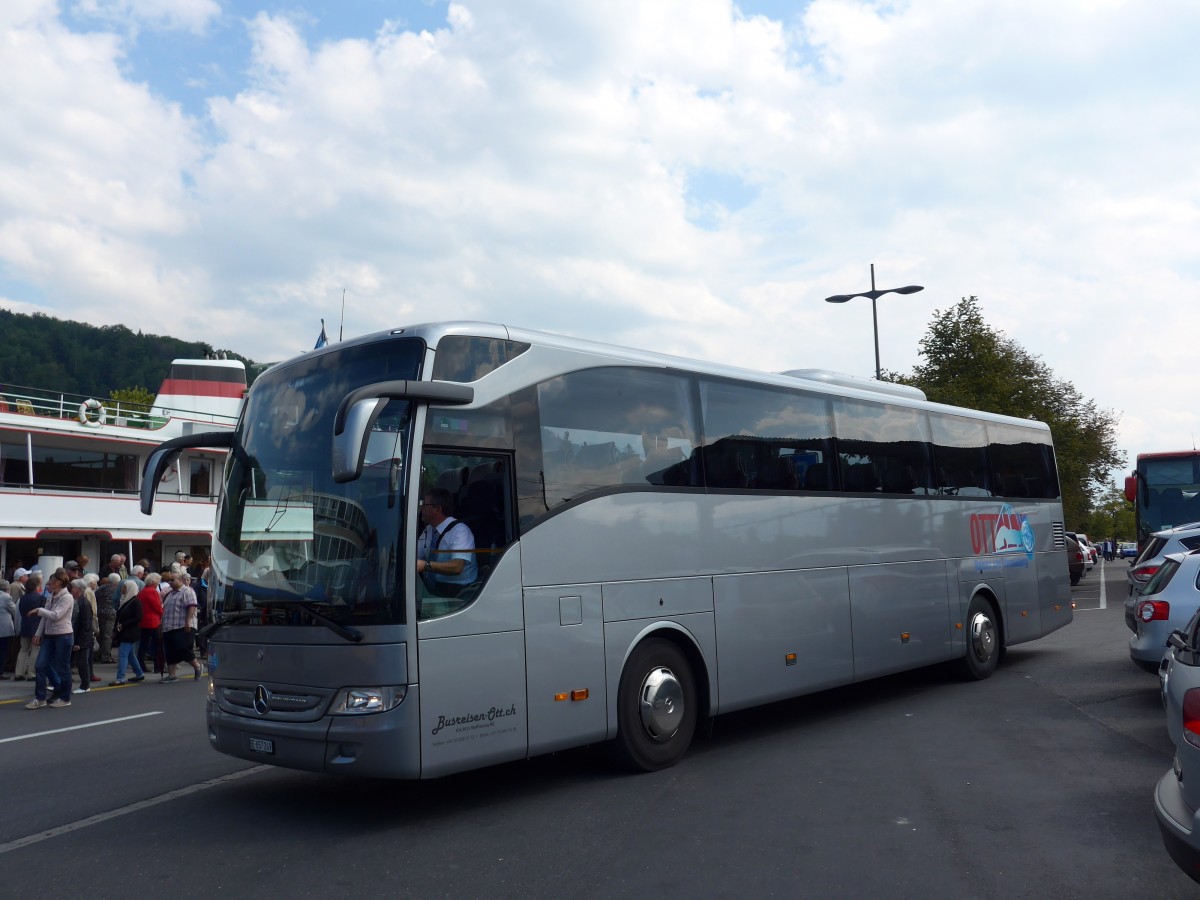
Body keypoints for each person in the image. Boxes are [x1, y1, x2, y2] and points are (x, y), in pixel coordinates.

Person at [415, 487, 478, 596]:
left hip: (458, 592)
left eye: (425, 505)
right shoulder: (429, 530)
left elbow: (457, 567)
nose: (421, 509)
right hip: (433, 588)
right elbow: (416, 557)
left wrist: (425, 566)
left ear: (438, 509)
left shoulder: (460, 531)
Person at [26, 567, 74, 709]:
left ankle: (65, 697)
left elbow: (55, 616)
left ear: (60, 582)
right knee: (40, 665)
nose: (49, 583)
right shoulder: (51, 596)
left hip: (63, 636)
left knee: (62, 667)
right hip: (50, 635)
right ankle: (40, 698)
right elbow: (45, 619)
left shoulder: (67, 597)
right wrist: (38, 633)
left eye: (52, 581)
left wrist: (39, 610)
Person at [159, 572, 201, 682]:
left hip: (182, 626)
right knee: (170, 651)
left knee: (183, 648)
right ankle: (172, 675)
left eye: (172, 580)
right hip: (169, 627)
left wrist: (188, 621)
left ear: (180, 580)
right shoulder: (170, 593)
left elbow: (191, 606)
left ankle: (197, 666)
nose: (170, 582)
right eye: (169, 580)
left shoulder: (187, 591)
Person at [110, 579, 145, 685]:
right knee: (129, 655)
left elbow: (138, 617)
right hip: (123, 631)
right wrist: (115, 630)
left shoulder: (135, 601)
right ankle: (139, 673)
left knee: (123, 654)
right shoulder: (124, 600)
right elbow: (119, 616)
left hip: (130, 632)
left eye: (124, 587)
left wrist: (124, 624)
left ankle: (120, 678)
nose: (122, 589)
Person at [13, 571, 46, 680]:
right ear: (37, 586)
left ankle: (19, 673)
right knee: (35, 650)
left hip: (25, 626)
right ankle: (32, 673)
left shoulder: (22, 598)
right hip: (36, 627)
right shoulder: (40, 598)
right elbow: (43, 613)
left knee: (23, 650)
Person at [69, 578, 95, 694]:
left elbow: (86, 625)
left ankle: (85, 685)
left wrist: (79, 642)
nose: (71, 589)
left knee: (82, 663)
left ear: (79, 590)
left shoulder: (84, 604)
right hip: (78, 638)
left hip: (82, 640)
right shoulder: (78, 602)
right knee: (74, 662)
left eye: (73, 587)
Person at [137, 573, 164, 674]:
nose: (158, 583)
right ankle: (158, 667)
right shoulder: (153, 592)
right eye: (157, 581)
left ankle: (141, 665)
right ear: (153, 582)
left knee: (143, 645)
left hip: (143, 622)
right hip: (153, 622)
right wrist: (162, 613)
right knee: (158, 645)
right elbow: (157, 607)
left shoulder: (142, 592)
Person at [95, 572, 119, 663]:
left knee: (100, 634)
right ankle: (106, 656)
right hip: (110, 614)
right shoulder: (115, 590)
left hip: (100, 612)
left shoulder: (101, 588)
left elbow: (96, 597)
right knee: (107, 635)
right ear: (116, 582)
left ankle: (98, 654)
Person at [0, 579, 18, 679]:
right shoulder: (6, 597)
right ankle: (0, 672)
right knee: (3, 651)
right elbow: (14, 610)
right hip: (4, 628)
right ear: (8, 589)